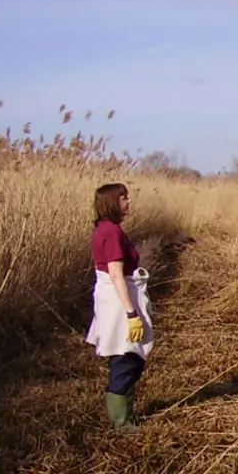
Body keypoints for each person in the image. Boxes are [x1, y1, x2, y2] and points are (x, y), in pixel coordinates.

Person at [85, 183, 153, 434]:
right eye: (123, 198)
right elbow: (115, 274)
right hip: (117, 301)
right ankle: (121, 421)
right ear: (111, 203)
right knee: (126, 357)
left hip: (111, 298)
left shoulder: (104, 229)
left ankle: (125, 414)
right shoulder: (111, 232)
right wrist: (132, 313)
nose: (129, 202)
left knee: (125, 355)